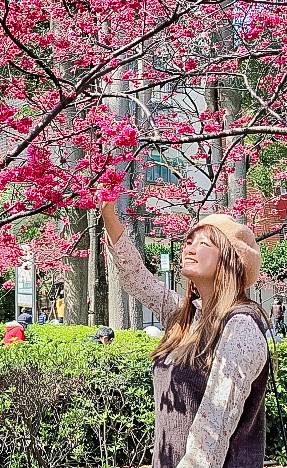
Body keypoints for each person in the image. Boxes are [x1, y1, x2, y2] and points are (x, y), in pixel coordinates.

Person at [100, 200, 269, 468]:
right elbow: (135, 276)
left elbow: (213, 430)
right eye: (189, 241)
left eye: (204, 243)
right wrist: (108, 213)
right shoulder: (186, 316)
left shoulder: (241, 327)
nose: (189, 247)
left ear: (230, 260)